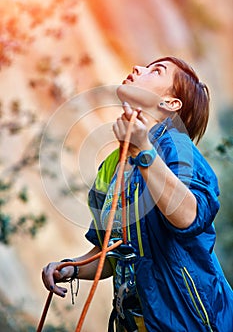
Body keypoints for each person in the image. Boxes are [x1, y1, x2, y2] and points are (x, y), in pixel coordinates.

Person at [42, 56, 233, 331]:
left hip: (190, 322)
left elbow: (190, 217)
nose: (137, 69)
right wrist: (71, 267)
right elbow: (109, 254)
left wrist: (144, 152)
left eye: (156, 71)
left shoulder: (177, 149)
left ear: (170, 103)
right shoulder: (112, 165)